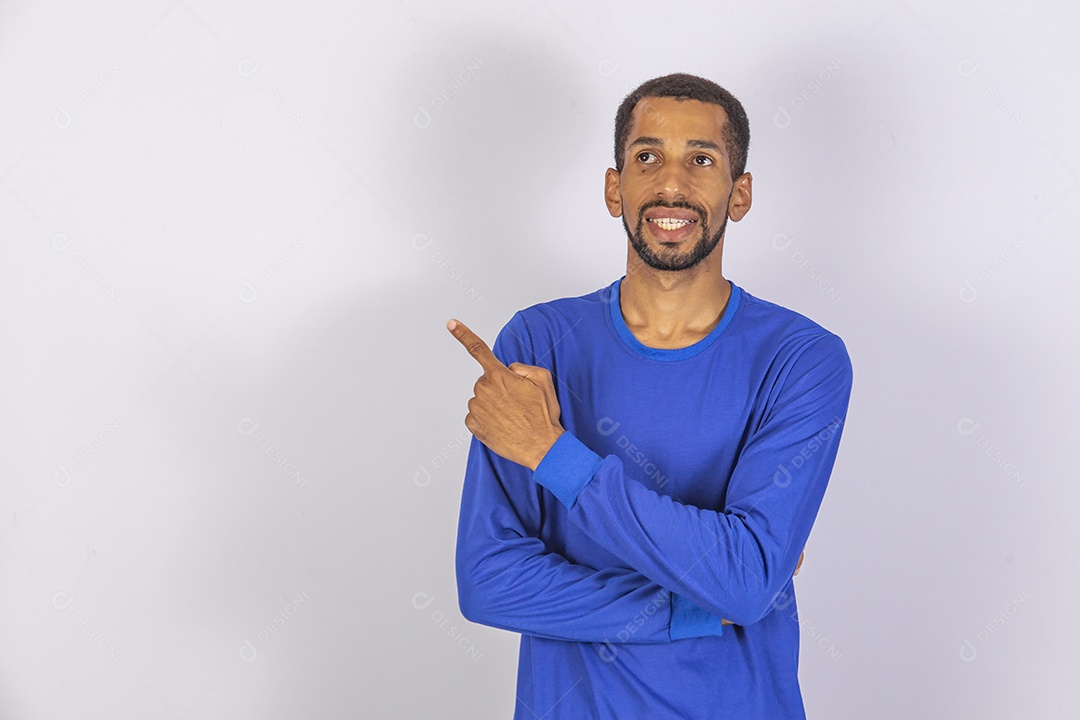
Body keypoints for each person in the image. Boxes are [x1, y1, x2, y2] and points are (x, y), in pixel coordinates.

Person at [446, 72, 853, 719]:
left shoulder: (800, 358)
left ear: (739, 193)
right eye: (647, 157)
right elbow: (490, 582)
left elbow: (745, 582)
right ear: (615, 188)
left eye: (701, 159)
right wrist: (694, 605)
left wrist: (553, 454)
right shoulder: (538, 340)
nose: (672, 183)